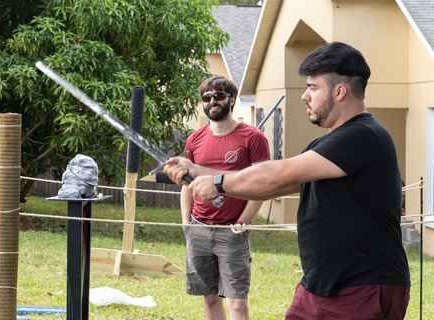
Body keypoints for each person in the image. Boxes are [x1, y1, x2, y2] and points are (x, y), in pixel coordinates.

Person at [164, 42, 411, 320]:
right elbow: (277, 185)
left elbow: (277, 175)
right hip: (319, 285)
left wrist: (218, 183)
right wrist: (197, 170)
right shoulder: (328, 144)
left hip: (363, 287)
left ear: (340, 91)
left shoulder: (364, 136)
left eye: (313, 87)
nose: (305, 96)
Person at [180, 75, 270, 320]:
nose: (212, 101)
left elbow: (262, 184)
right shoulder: (194, 140)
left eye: (219, 96)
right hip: (198, 228)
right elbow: (187, 185)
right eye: (207, 97)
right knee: (209, 299)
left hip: (233, 230)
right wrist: (186, 223)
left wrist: (243, 222)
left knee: (238, 303)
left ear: (232, 100)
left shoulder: (252, 137)